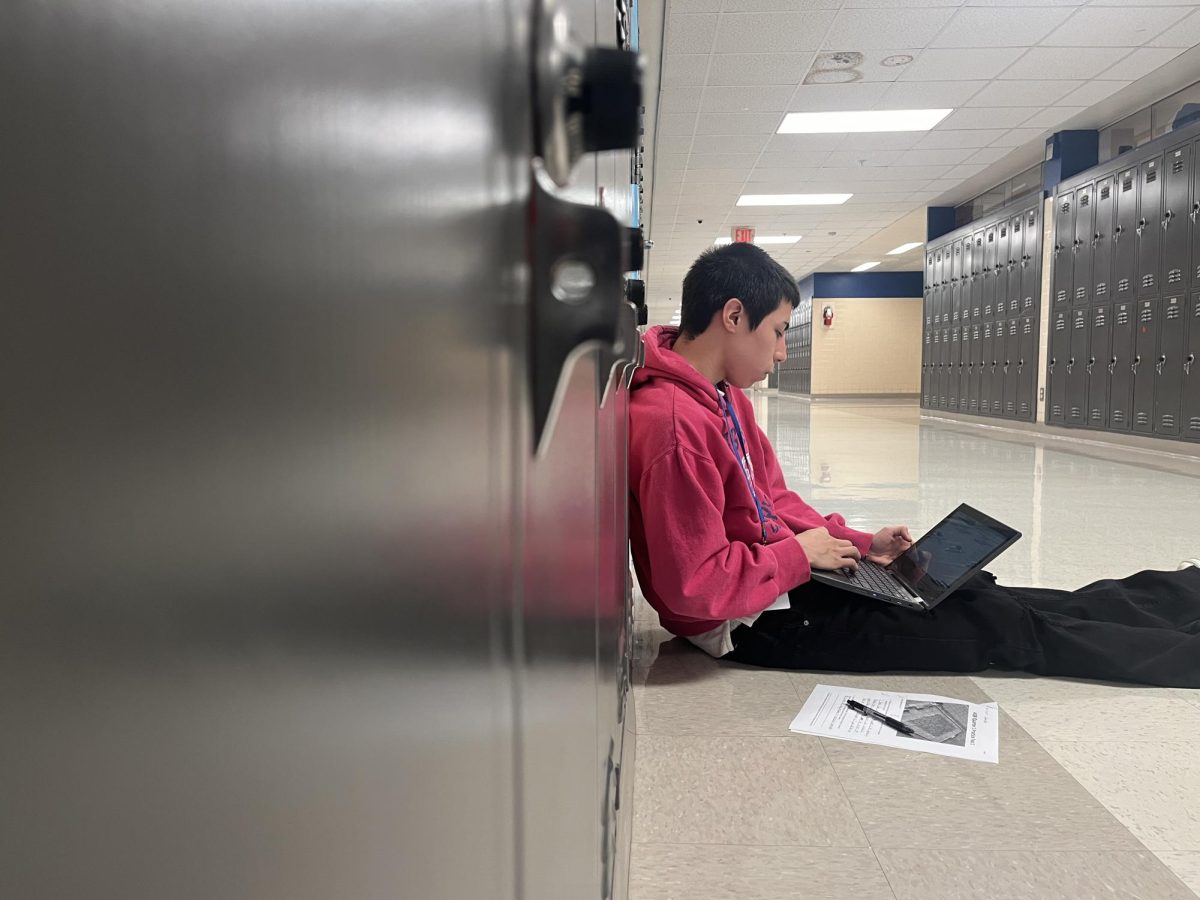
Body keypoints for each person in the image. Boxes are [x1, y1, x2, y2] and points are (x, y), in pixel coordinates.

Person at [628, 242, 1200, 688]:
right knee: (997, 627)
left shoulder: (723, 395)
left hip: (778, 580)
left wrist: (857, 544)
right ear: (733, 315)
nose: (782, 351)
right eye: (779, 332)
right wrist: (798, 555)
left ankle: (1183, 594)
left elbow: (773, 502)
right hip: (750, 624)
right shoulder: (675, 425)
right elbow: (693, 590)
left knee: (978, 594)